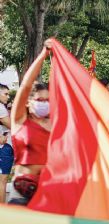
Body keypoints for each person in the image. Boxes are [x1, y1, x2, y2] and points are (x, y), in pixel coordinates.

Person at [8, 40, 52, 205]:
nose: (44, 103)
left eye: (47, 100)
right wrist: (44, 54)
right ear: (27, 102)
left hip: (48, 191)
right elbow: (26, 85)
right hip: (22, 191)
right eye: (40, 100)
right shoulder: (20, 120)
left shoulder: (53, 122)